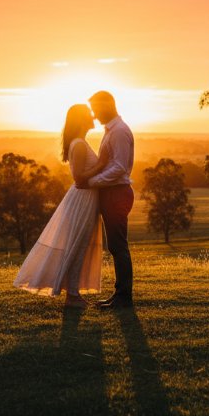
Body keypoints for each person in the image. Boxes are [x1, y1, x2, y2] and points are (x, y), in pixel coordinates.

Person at [12, 104, 104, 308]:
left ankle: (74, 293)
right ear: (80, 119)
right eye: (89, 114)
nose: (94, 117)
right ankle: (72, 296)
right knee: (77, 246)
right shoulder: (79, 144)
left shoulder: (80, 142)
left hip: (85, 199)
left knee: (79, 245)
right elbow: (79, 179)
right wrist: (101, 165)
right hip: (83, 199)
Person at [76, 90, 135, 310]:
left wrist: (91, 182)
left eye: (96, 109)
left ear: (107, 106)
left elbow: (118, 168)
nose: (94, 114)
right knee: (116, 246)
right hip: (112, 192)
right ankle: (119, 294)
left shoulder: (119, 132)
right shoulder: (112, 130)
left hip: (116, 192)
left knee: (119, 246)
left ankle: (124, 297)